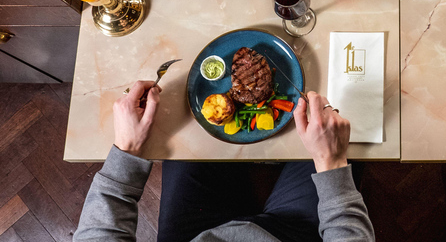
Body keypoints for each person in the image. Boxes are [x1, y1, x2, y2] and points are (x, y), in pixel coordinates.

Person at [73, 81, 374, 242]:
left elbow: (98, 235)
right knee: (346, 127)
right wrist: (331, 162)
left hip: (194, 235)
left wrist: (127, 149)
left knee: (188, 128)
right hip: (290, 234)